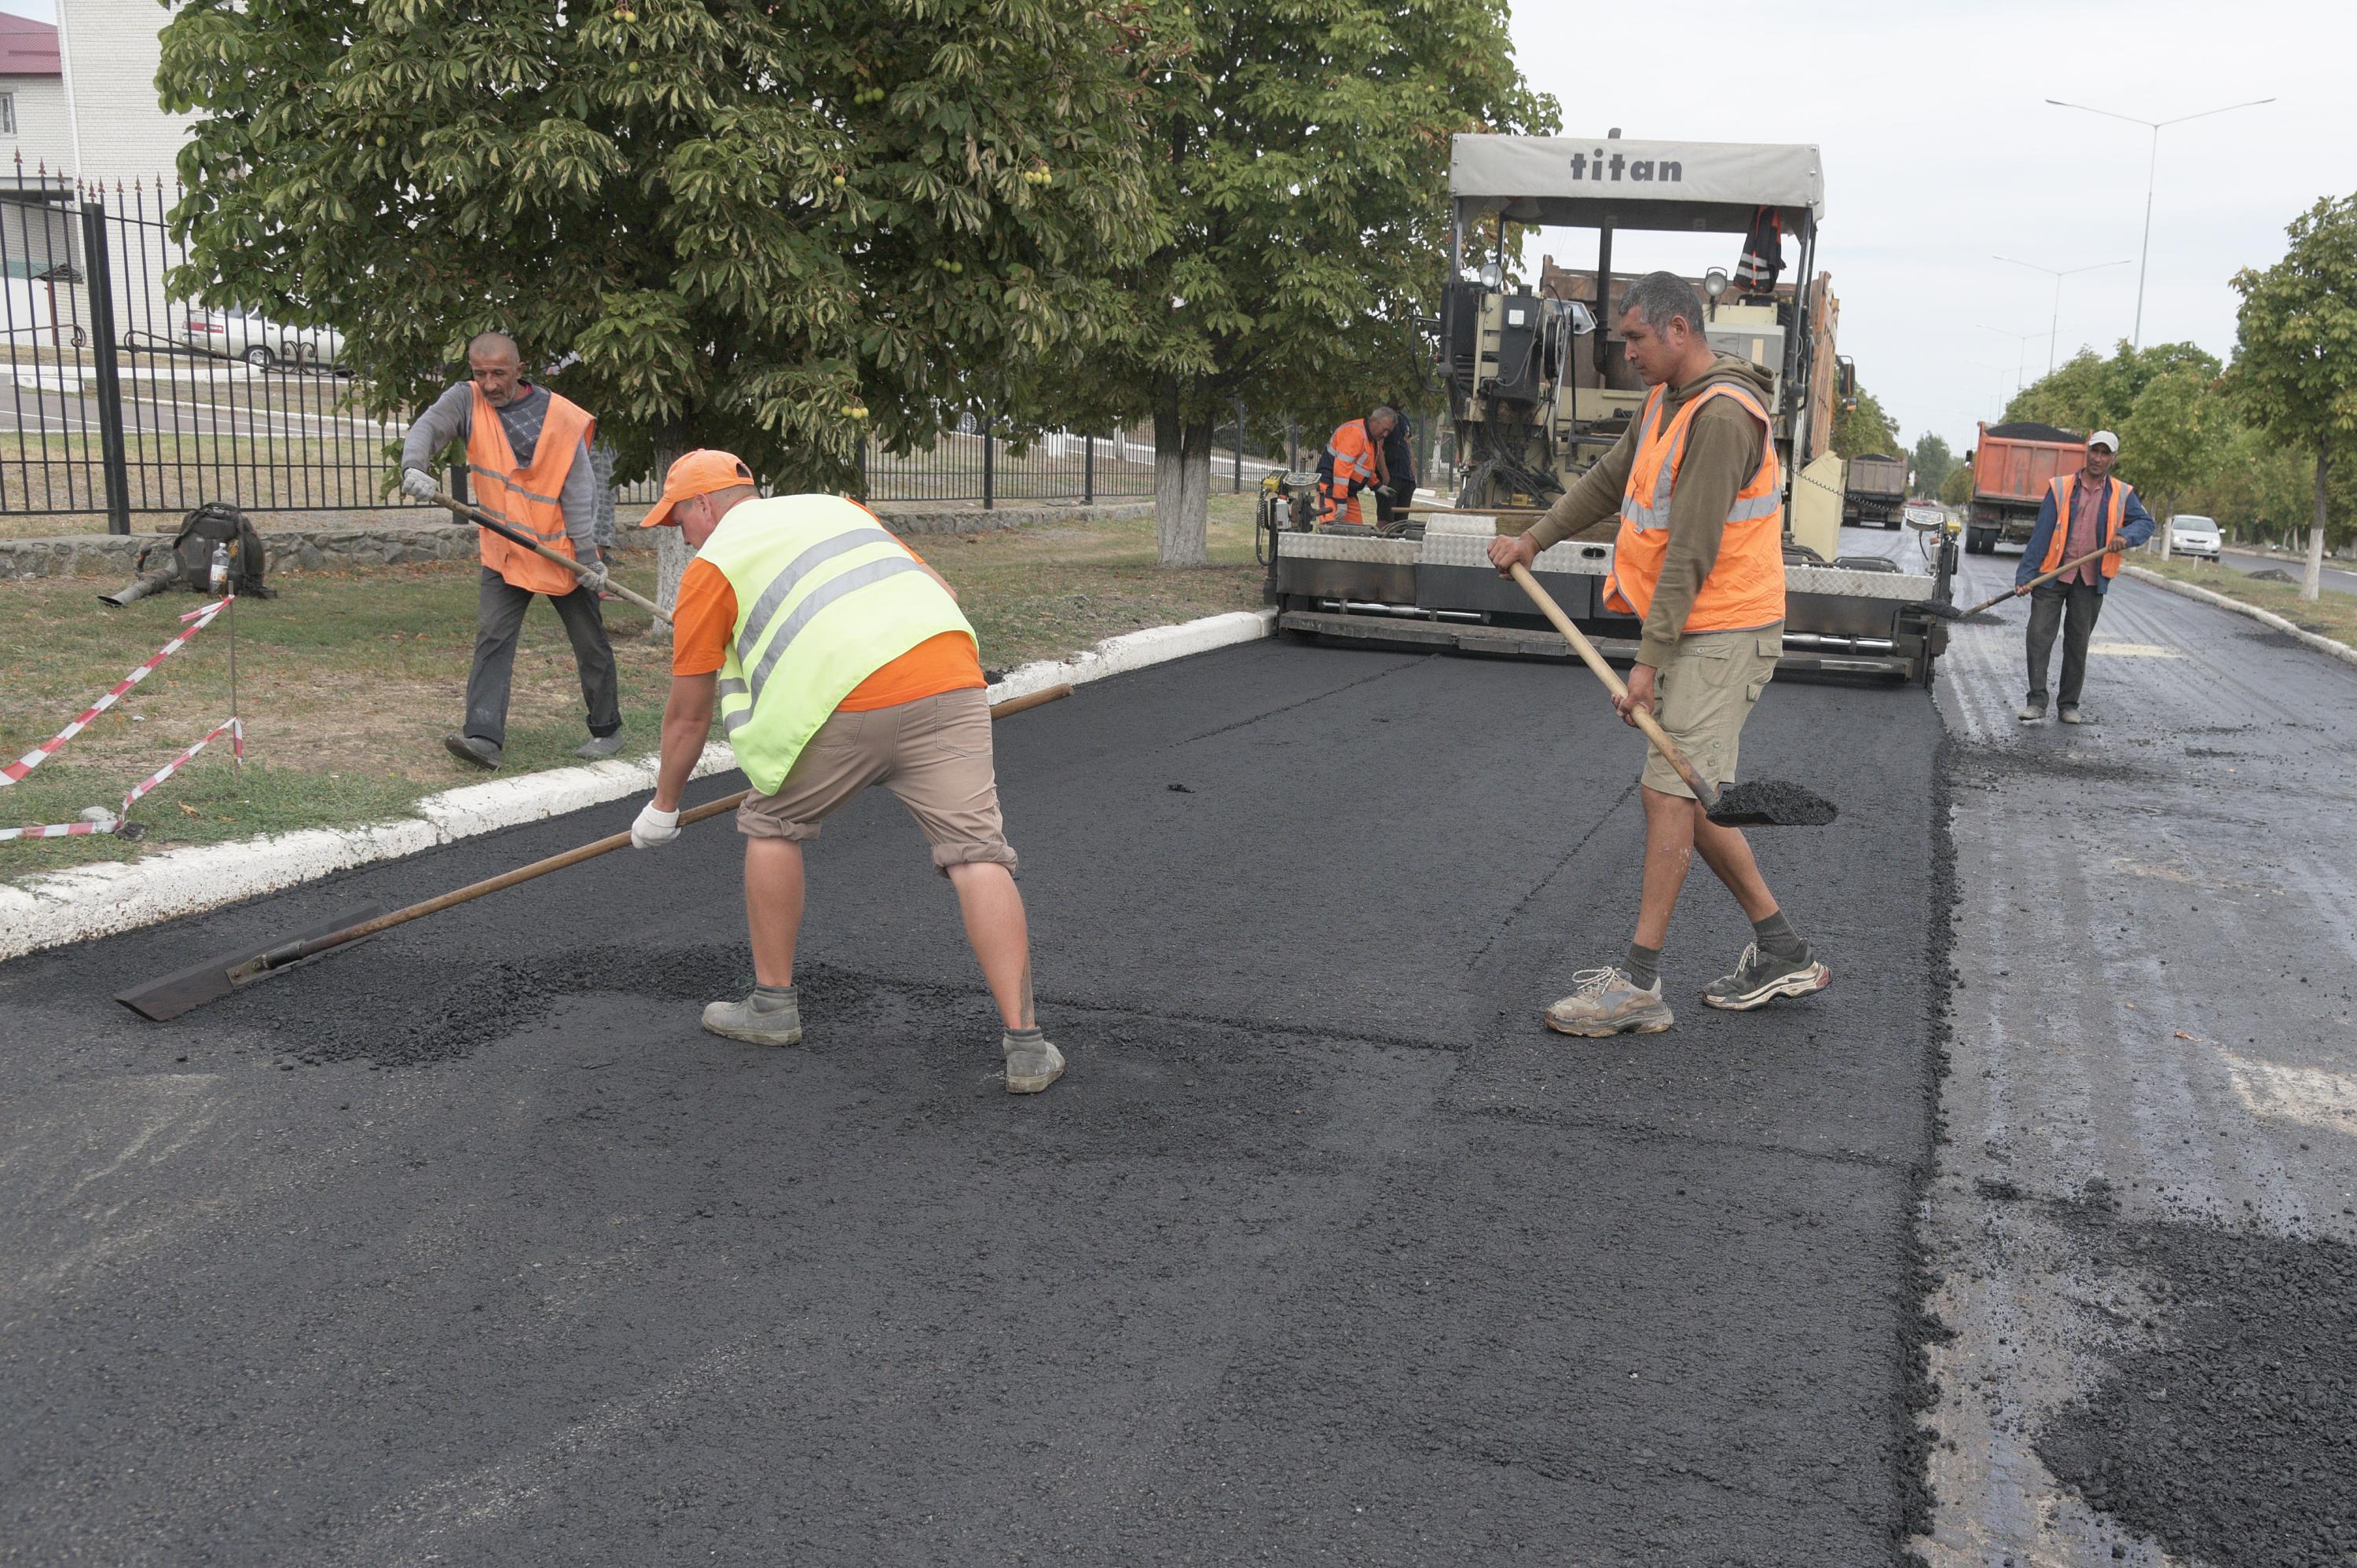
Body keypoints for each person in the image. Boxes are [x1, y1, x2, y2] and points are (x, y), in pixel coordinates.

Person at [626, 451, 1063, 1095]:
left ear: (704, 505)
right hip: (949, 680)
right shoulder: (839, 508)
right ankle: (1027, 1046)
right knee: (977, 854)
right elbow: (941, 592)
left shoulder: (711, 567)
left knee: (774, 822)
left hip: (846, 706)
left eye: (678, 521)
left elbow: (687, 717)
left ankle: (772, 1008)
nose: (679, 535)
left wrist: (664, 807)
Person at [1486, 271, 1827, 1037]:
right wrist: (1534, 539)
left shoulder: (1722, 417)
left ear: (1679, 331)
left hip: (1726, 627)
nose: (1627, 352)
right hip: (1699, 626)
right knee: (1695, 789)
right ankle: (1782, 949)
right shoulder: (1665, 403)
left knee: (1665, 790)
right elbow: (1611, 481)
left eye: (1636, 337)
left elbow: (1691, 552)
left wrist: (1644, 663)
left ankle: (1638, 982)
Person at [400, 331, 622, 769]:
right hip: (504, 548)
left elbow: (579, 489)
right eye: (480, 374)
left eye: (499, 374)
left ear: (520, 371)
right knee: (494, 639)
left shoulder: (558, 417)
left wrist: (588, 556)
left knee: (589, 642)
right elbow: (429, 426)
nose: (489, 384)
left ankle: (607, 728)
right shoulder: (466, 401)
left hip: (561, 555)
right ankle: (483, 738)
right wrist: (414, 465)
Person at [2014, 430, 2154, 725]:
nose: (2098, 458)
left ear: (2113, 459)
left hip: (2090, 580)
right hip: (2052, 575)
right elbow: (2041, 533)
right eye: (2095, 451)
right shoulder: (2061, 488)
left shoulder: (2122, 493)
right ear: (2086, 452)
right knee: (2038, 637)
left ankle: (2068, 704)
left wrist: (2124, 537)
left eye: (2105, 453)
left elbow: (2145, 523)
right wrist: (2025, 575)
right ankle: (2037, 701)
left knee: (2077, 644)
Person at [1317, 405, 1398, 525]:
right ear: (1374, 421)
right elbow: (1341, 471)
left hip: (1347, 493)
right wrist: (1341, 502)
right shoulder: (1355, 433)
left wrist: (1377, 486)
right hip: (1330, 489)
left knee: (1358, 534)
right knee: (1330, 530)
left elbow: (1365, 469)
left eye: (1389, 432)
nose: (1386, 435)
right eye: (1385, 429)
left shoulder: (1371, 439)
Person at [1374, 411, 1418, 527]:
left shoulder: (1404, 419)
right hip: (1392, 477)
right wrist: (1385, 475)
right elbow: (1378, 447)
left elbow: (1408, 443)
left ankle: (1396, 543)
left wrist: (1413, 471)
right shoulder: (1385, 420)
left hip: (1406, 479)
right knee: (1386, 520)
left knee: (1401, 523)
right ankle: (1381, 544)